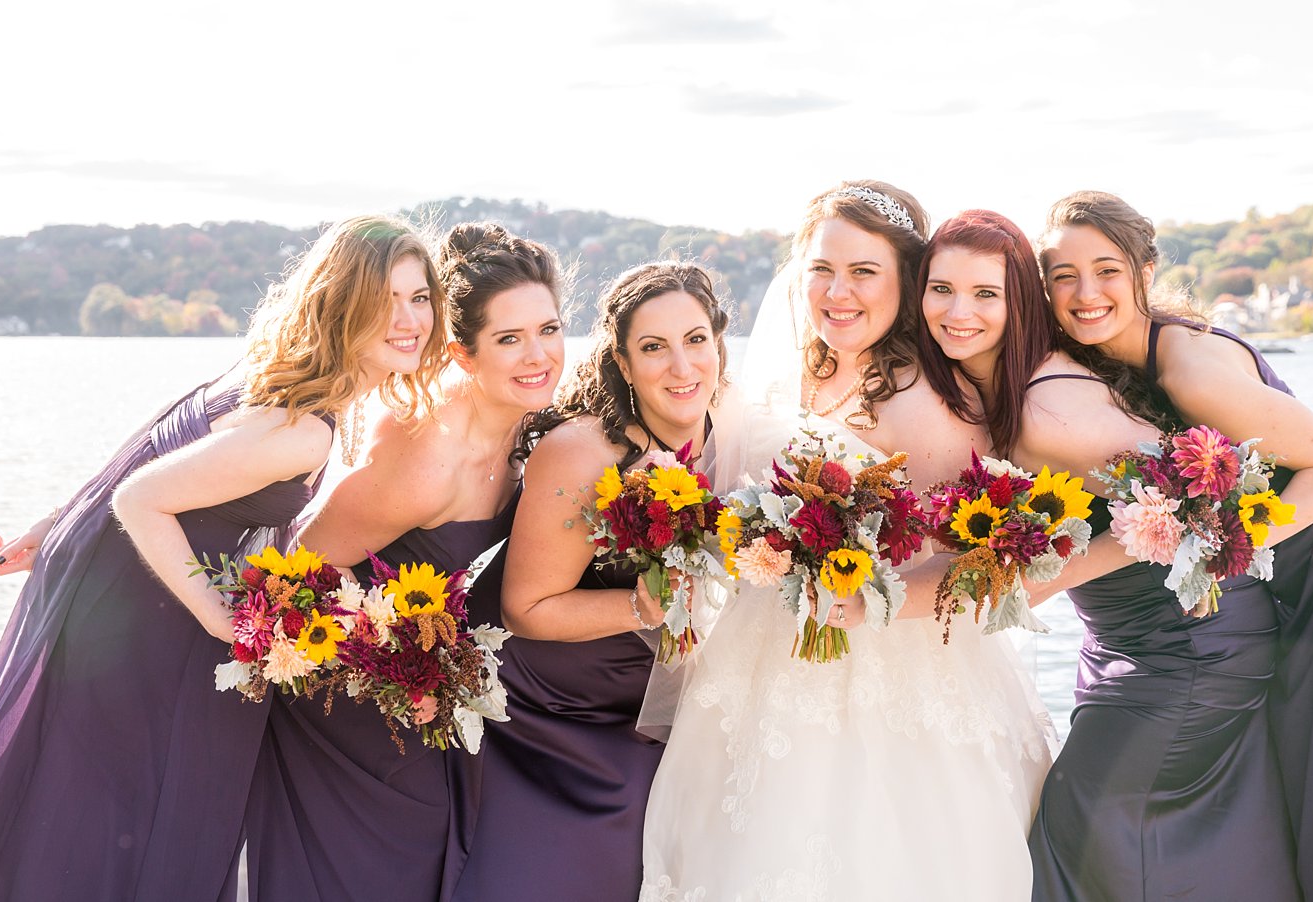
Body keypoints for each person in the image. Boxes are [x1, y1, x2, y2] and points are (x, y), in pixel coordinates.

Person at [0, 214, 445, 901]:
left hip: (114, 582)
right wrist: (220, 618)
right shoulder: (303, 428)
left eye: (418, 297)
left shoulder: (271, 368)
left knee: (68, 792)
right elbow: (141, 497)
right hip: (142, 609)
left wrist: (57, 520)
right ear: (339, 302)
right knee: (110, 811)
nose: (408, 318)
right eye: (384, 298)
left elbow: (152, 442)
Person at [1035, 190, 1313, 901]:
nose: (1086, 293)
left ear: (1144, 272)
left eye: (1107, 270)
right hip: (1298, 575)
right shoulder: (1109, 363)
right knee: (1312, 788)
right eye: (1063, 275)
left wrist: (1214, 546)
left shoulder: (1187, 370)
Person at [640, 183, 1055, 901]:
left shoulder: (927, 402)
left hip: (891, 678)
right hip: (760, 656)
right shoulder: (789, 371)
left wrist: (862, 593)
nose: (838, 292)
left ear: (905, 281)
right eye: (822, 269)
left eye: (865, 272)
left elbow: (983, 562)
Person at [918, 209, 1299, 902]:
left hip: (1193, 648)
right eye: (940, 289)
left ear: (1020, 302)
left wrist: (1040, 583)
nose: (958, 311)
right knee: (1134, 861)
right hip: (1138, 645)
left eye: (985, 293)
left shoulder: (1050, 408)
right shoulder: (1006, 388)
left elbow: (1195, 503)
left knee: (1074, 845)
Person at [241, 222, 566, 901]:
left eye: (550, 329)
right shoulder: (426, 460)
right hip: (349, 715)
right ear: (463, 353)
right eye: (510, 339)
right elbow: (288, 581)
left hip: (428, 707)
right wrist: (395, 669)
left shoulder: (533, 433)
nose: (539, 355)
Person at [454, 261, 731, 901]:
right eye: (653, 348)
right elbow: (527, 607)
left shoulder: (737, 441)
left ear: (719, 344)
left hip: (656, 701)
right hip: (552, 713)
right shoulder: (583, 451)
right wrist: (642, 606)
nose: (682, 367)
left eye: (695, 340)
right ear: (624, 365)